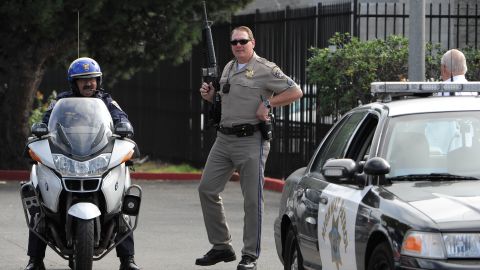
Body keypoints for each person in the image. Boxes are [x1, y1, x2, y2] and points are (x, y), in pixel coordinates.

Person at [195, 26, 303, 270]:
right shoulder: (229, 68)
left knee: (252, 200)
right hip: (224, 139)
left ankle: (250, 256)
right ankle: (221, 246)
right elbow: (225, 101)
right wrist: (211, 96)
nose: (238, 45)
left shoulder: (265, 68)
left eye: (243, 41)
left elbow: (296, 91)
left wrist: (269, 102)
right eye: (234, 42)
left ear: (252, 42)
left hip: (251, 139)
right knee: (207, 189)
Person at [25, 57, 140, 270]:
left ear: (98, 81)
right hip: (66, 155)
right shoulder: (61, 101)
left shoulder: (106, 101)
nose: (89, 84)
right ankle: (35, 260)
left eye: (92, 79)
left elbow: (119, 116)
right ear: (73, 83)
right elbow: (47, 119)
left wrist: (124, 124)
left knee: (121, 208)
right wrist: (40, 126)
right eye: (82, 80)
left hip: (98, 154)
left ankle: (128, 260)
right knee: (40, 208)